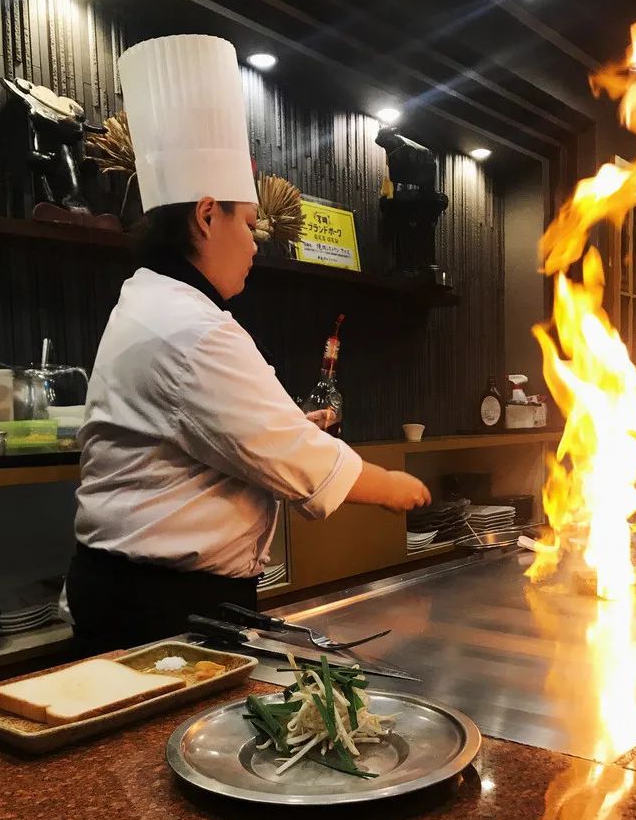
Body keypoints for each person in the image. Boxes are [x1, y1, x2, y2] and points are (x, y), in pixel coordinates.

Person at [66, 34, 430, 654]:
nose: (257, 241)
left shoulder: (152, 301)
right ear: (208, 216)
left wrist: (289, 422)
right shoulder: (191, 326)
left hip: (134, 590)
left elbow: (223, 429)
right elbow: (290, 455)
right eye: (249, 221)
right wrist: (393, 486)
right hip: (163, 605)